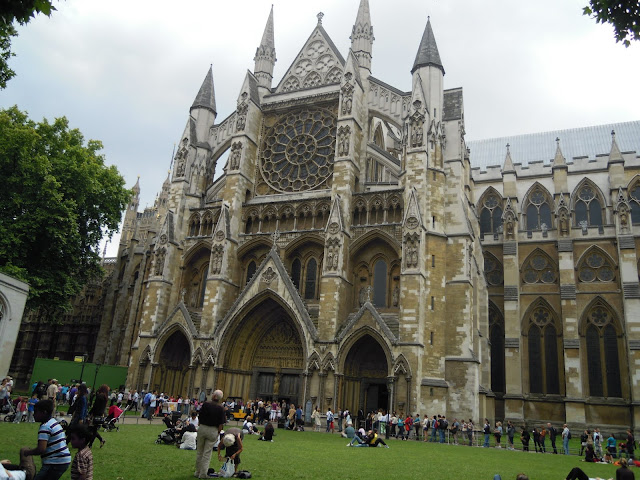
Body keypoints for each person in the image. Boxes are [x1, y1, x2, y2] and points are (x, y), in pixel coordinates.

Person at [23, 399, 71, 480]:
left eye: (36, 412)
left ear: (44, 412)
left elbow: (41, 449)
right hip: (63, 459)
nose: (34, 415)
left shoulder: (45, 427)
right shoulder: (54, 422)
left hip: (55, 462)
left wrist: (28, 452)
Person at [194, 390, 225, 480]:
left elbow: (200, 417)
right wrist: (218, 432)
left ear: (214, 396)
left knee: (200, 451)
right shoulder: (221, 408)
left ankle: (197, 471)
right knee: (207, 453)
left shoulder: (206, 404)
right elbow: (221, 423)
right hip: (213, 430)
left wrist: (200, 426)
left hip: (203, 427)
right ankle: (203, 474)